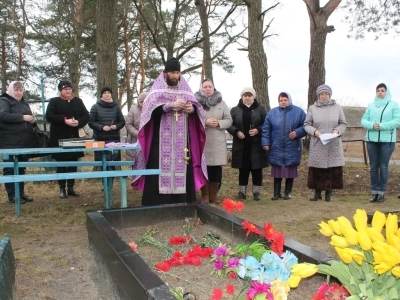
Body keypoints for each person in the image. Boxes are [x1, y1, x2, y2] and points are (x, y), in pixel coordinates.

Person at [131, 57, 208, 205]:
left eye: (177, 72)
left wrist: (191, 109)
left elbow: (198, 110)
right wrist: (169, 106)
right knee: (157, 167)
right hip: (159, 142)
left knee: (184, 167)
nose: (175, 75)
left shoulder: (186, 91)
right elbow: (149, 113)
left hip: (181, 142)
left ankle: (184, 201)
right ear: (165, 73)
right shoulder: (156, 91)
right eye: (172, 72)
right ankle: (156, 202)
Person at [46, 80, 89, 199]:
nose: (68, 91)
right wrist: (65, 120)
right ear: (60, 90)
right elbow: (49, 116)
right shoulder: (54, 101)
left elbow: (86, 115)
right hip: (59, 137)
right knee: (61, 163)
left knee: (73, 162)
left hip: (74, 136)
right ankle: (61, 188)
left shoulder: (78, 101)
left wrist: (78, 122)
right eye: (65, 89)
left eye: (69, 89)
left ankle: (71, 187)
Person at [304, 84, 347, 202]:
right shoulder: (313, 108)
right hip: (318, 142)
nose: (324, 96)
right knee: (317, 169)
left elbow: (343, 123)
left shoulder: (337, 108)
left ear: (330, 95)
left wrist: (337, 130)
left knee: (331, 169)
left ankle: (329, 193)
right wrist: (314, 131)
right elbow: (306, 124)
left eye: (326, 94)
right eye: (322, 94)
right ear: (318, 95)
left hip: (333, 143)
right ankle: (317, 192)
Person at [261, 92, 307, 200]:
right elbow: (266, 129)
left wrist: (297, 132)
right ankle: (276, 193)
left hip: (292, 146)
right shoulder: (272, 113)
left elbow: (306, 126)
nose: (283, 102)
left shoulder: (299, 112)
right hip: (276, 146)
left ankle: (288, 192)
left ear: (289, 100)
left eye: (285, 100)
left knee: (290, 170)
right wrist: (265, 142)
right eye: (281, 100)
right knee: (277, 170)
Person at [194, 79, 232, 204]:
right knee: (204, 168)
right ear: (201, 88)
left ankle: (213, 195)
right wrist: (205, 122)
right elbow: (192, 120)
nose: (208, 89)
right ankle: (205, 195)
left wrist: (219, 123)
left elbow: (229, 119)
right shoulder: (196, 104)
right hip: (202, 141)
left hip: (217, 141)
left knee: (216, 169)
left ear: (213, 88)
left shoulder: (222, 103)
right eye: (205, 86)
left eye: (210, 86)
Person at [361, 83, 400, 203]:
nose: (380, 92)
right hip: (372, 140)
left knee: (383, 166)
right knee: (373, 167)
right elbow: (363, 120)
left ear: (386, 92)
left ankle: (381, 192)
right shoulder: (371, 105)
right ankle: (374, 192)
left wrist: (382, 126)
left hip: (386, 141)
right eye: (378, 90)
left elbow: (397, 121)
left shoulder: (393, 105)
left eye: (383, 90)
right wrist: (372, 125)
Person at [227, 87, 268, 201]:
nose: (247, 97)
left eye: (250, 95)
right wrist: (236, 131)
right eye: (245, 95)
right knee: (243, 169)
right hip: (241, 145)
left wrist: (257, 130)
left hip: (256, 145)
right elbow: (229, 124)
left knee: (257, 169)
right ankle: (241, 192)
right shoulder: (235, 110)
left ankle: (257, 192)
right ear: (242, 97)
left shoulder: (261, 109)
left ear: (253, 97)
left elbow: (266, 124)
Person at [0, 81, 35, 204]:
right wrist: (22, 118)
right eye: (16, 90)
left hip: (24, 142)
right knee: (10, 169)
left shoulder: (23, 103)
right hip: (9, 142)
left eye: (20, 90)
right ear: (10, 90)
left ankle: (20, 193)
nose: (19, 92)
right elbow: (2, 115)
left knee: (21, 169)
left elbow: (27, 117)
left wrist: (31, 120)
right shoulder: (4, 101)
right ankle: (12, 195)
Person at [88, 86, 125, 165]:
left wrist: (116, 126)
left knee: (113, 163)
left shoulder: (116, 107)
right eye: (105, 93)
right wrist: (102, 127)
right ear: (101, 95)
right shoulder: (95, 107)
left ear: (111, 94)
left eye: (108, 93)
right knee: (102, 163)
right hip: (100, 140)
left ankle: (112, 177)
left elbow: (122, 122)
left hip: (114, 140)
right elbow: (90, 122)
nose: (107, 94)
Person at [125, 92, 147, 161]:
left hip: (147, 138)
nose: (142, 103)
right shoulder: (133, 109)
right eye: (141, 102)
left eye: (145, 101)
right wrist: (138, 134)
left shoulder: (151, 109)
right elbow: (128, 124)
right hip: (134, 139)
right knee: (135, 161)